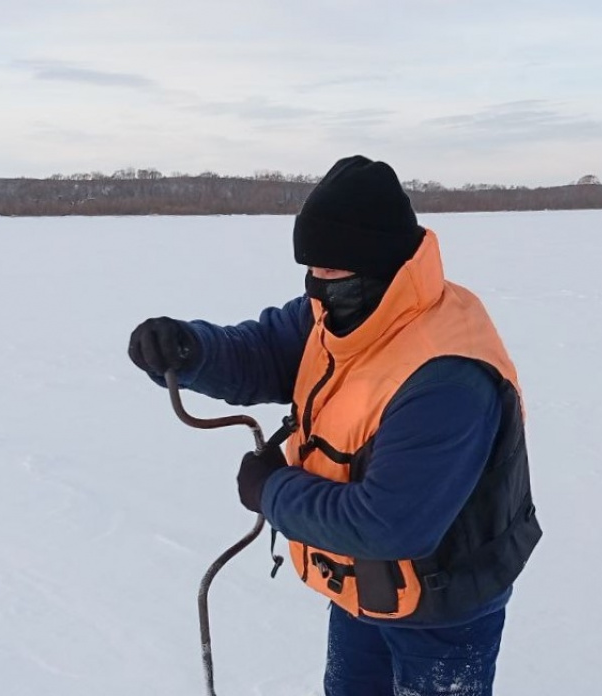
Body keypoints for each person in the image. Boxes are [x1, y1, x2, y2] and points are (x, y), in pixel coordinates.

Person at [128, 155, 541, 696]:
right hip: (363, 588)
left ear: (378, 264)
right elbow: (264, 352)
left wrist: (271, 489)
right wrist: (191, 350)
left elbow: (389, 526)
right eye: (311, 270)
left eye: (330, 272)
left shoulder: (447, 380)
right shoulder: (345, 312)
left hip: (444, 608)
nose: (316, 287)